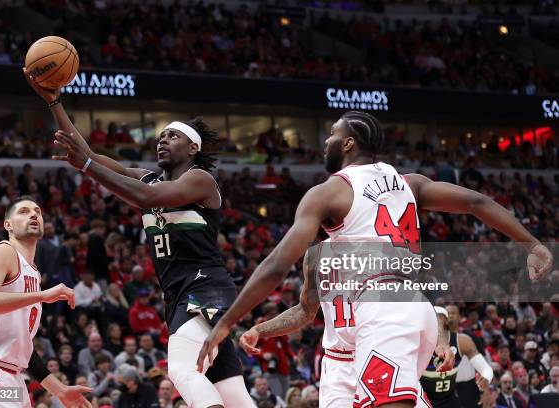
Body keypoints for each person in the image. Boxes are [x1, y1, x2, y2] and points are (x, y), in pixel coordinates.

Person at [198, 110, 553, 408]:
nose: (326, 141)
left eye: (333, 133)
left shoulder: (330, 192)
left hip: (383, 311)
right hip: (402, 311)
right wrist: (532, 244)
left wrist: (228, 322)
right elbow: (477, 202)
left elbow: (276, 264)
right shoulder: (408, 183)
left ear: (349, 143)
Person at [25, 70, 255, 408]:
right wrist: (55, 102)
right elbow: (85, 152)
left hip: (205, 287)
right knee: (232, 394)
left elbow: (145, 198)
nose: (162, 140)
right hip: (176, 294)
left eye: (172, 136)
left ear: (193, 147)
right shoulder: (147, 177)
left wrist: (88, 164)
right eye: (160, 136)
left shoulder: (200, 180)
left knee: (181, 368)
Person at [240, 248, 450, 407]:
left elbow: (415, 303)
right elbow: (305, 311)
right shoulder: (316, 255)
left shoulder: (384, 249)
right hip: (339, 366)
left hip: (382, 353)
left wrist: (441, 341)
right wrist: (260, 330)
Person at [0, 196, 92, 407]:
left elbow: (23, 347)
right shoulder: (4, 252)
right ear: (8, 225)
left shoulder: (33, 272)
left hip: (13, 377)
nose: (33, 214)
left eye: (37, 211)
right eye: (23, 211)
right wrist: (42, 295)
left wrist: (61, 390)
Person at [421, 306, 493, 408]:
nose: (435, 320)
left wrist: (486, 379)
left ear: (446, 321)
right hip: (424, 398)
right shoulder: (419, 342)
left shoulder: (462, 341)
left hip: (449, 398)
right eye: (431, 318)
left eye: (438, 317)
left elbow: (486, 368)